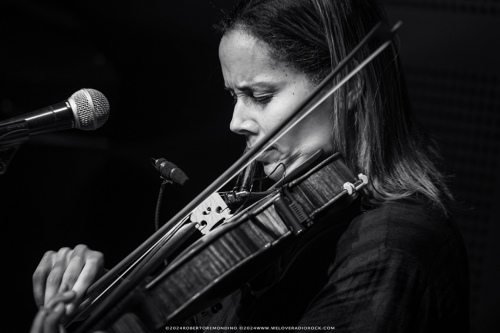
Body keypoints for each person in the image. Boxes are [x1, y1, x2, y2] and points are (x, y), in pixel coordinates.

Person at [31, 0, 469, 332]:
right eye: (233, 95)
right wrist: (114, 299)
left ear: (351, 86)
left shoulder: (392, 245)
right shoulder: (275, 214)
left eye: (260, 95)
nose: (236, 122)